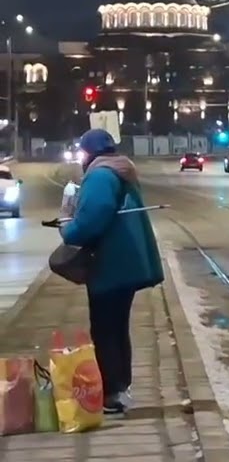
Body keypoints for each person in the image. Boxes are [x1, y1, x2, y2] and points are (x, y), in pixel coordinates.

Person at [60, 129, 164, 415]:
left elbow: (93, 218)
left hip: (110, 264)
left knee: (105, 329)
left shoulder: (101, 175)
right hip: (126, 262)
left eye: (82, 152)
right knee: (117, 327)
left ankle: (112, 392)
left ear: (90, 152)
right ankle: (120, 388)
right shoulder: (121, 171)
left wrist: (68, 230)